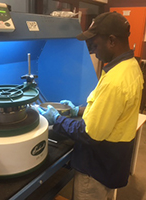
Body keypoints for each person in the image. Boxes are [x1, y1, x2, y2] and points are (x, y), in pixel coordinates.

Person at [39, 12, 144, 200]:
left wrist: (57, 119)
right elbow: (108, 110)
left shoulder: (115, 81)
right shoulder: (130, 67)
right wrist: (77, 110)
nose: (94, 51)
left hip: (96, 167)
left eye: (95, 45)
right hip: (112, 163)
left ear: (111, 41)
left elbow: (89, 132)